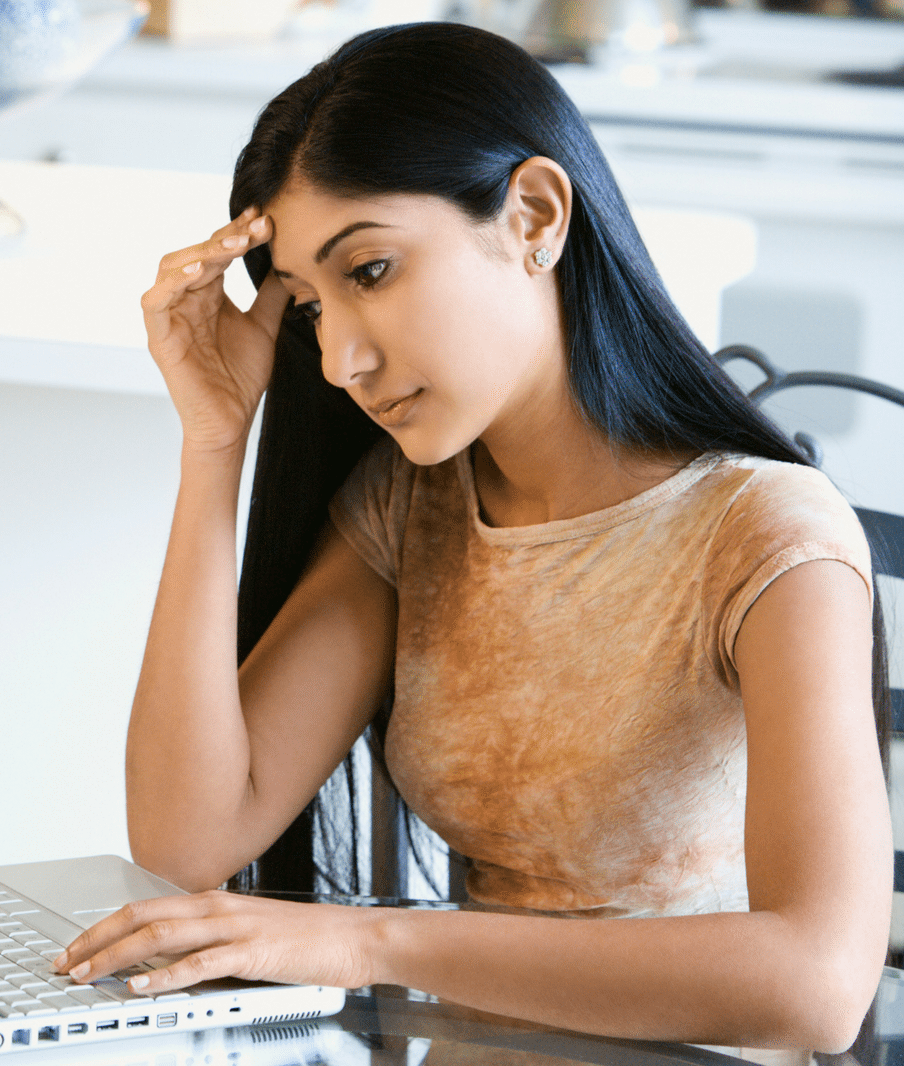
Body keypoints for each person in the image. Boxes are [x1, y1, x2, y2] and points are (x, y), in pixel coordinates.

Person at [49, 22, 892, 1055]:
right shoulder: (413, 510)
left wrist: (369, 944)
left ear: (532, 215)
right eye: (311, 307)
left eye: (370, 271)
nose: (340, 362)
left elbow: (814, 982)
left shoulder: (764, 532)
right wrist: (214, 439)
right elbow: (188, 837)